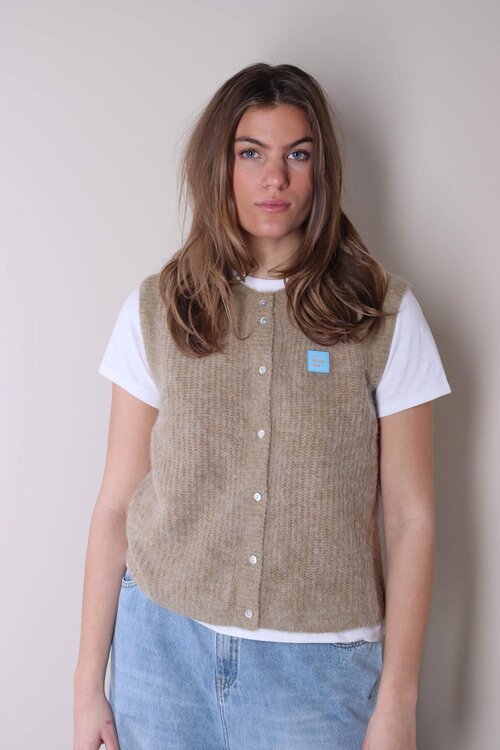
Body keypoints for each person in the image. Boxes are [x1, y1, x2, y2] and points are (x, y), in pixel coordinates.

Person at [73, 63, 451, 750]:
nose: (274, 178)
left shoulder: (384, 314)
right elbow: (116, 505)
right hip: (160, 654)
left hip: (318, 675)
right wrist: (86, 688)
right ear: (219, 165)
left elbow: (410, 518)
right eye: (251, 153)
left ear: (321, 170)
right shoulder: (160, 308)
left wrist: (398, 699)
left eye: (297, 155)